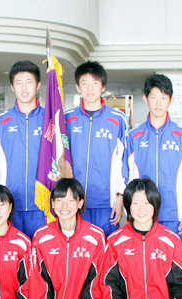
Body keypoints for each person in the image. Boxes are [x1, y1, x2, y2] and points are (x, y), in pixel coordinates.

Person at [126, 74, 182, 299]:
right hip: (141, 215)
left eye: (164, 97)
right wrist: (129, 209)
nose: (158, 103)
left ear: (171, 100)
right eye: (153, 97)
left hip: (171, 215)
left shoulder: (181, 135)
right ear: (145, 98)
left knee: (171, 267)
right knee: (141, 266)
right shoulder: (134, 136)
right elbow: (127, 175)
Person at [29, 178, 105, 299]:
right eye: (59, 200)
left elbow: (96, 282)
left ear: (80, 203)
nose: (65, 206)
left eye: (71, 200)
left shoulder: (95, 236)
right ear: (52, 204)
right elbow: (37, 282)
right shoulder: (41, 236)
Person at [0, 61, 46, 239]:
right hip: (8, 206)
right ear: (12, 87)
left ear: (38, 85)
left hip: (43, 206)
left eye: (29, 82)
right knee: (11, 252)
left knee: (42, 252)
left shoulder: (50, 119)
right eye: (19, 83)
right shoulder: (0, 122)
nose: (24, 88)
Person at [65, 61, 127, 236]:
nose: (90, 88)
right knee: (79, 249)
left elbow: (125, 163)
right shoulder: (67, 119)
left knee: (106, 249)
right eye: (84, 83)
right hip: (75, 202)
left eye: (95, 83)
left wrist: (120, 197)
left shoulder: (117, 119)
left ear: (103, 86)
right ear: (78, 87)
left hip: (106, 202)